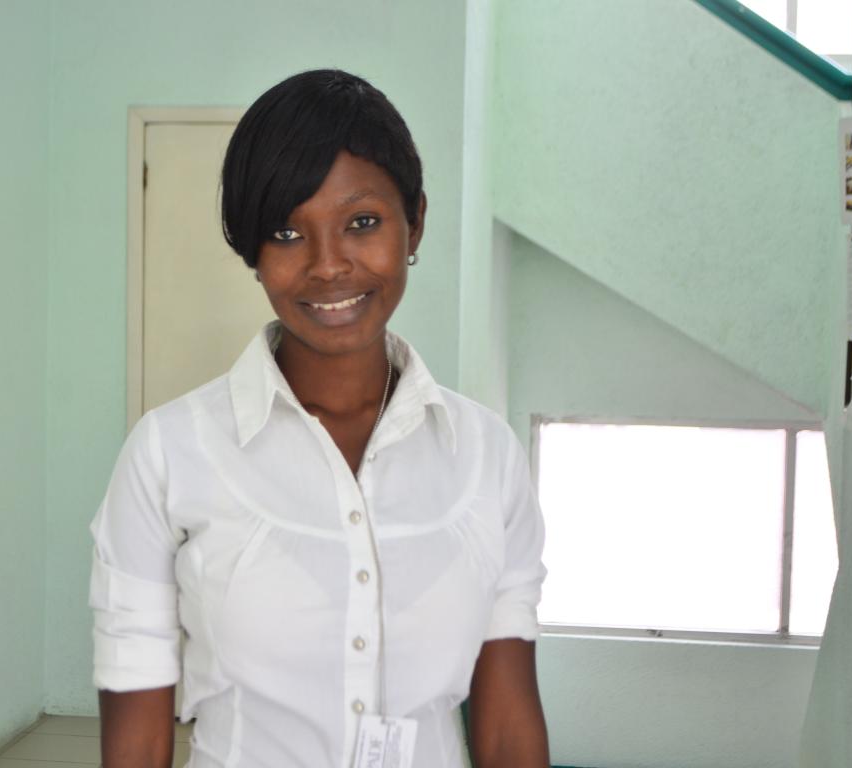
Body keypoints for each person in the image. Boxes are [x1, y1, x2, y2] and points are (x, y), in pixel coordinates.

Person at [89, 69, 549, 768]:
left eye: (362, 223)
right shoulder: (169, 452)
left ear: (415, 221)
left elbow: (508, 727)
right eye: (286, 232)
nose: (329, 266)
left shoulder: (487, 456)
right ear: (252, 251)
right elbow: (138, 732)